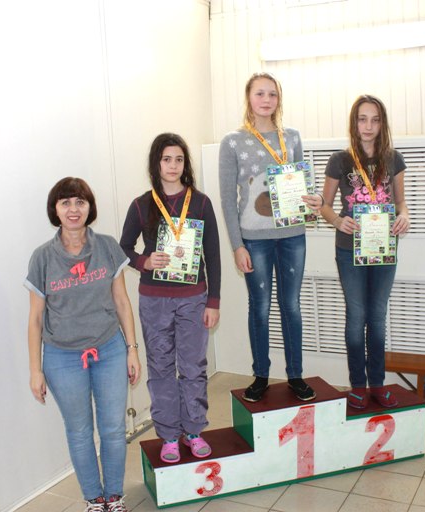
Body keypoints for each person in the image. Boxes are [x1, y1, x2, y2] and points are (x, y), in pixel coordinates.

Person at [26, 177, 141, 512]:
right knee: (79, 431)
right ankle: (94, 499)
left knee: (113, 429)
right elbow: (35, 319)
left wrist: (132, 349)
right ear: (55, 209)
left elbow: (121, 302)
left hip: (110, 349)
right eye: (65, 203)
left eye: (80, 202)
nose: (73, 209)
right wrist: (35, 370)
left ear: (90, 207)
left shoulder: (106, 247)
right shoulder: (43, 257)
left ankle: (114, 497)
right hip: (62, 357)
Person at [218, 72, 322, 403]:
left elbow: (302, 183)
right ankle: (260, 375)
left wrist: (315, 199)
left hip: (293, 235)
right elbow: (227, 199)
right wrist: (237, 245)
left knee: (291, 305)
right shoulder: (232, 141)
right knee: (260, 306)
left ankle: (296, 376)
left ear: (279, 99)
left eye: (272, 94)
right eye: (260, 93)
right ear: (248, 98)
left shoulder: (292, 137)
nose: (266, 100)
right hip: (254, 239)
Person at [120, 133, 221, 464]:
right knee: (161, 368)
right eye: (166, 159)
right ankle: (168, 435)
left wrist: (214, 301)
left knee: (193, 368)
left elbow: (213, 255)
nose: (173, 166)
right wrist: (143, 261)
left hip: (193, 298)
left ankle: (193, 430)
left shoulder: (201, 203)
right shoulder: (142, 204)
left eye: (179, 159)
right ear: (156, 164)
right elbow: (123, 248)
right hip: (154, 300)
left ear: (185, 164)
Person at [320, 95, 410, 409]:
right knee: (356, 316)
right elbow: (324, 206)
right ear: (354, 123)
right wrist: (337, 221)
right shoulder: (340, 160)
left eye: (375, 119)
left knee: (378, 316)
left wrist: (404, 215)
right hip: (349, 250)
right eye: (362, 119)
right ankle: (358, 385)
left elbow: (401, 202)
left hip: (384, 248)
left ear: (382, 124)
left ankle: (378, 384)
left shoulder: (394, 159)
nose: (368, 126)